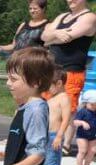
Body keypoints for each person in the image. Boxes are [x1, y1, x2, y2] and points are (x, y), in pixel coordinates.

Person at [44, 0, 96, 151]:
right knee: (49, 105)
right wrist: (54, 34)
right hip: (53, 70)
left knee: (68, 109)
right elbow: (44, 36)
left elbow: (68, 37)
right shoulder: (62, 16)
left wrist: (51, 35)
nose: (70, 0)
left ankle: (64, 145)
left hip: (72, 71)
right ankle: (48, 138)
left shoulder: (89, 17)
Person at [45, 67, 70, 165]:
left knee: (50, 164)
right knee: (43, 162)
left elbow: (66, 119)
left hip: (55, 136)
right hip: (46, 135)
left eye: (49, 84)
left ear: (59, 83)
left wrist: (59, 136)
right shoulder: (51, 97)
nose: (47, 87)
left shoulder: (63, 97)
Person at [71, 90, 96, 165]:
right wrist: (82, 122)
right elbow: (75, 122)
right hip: (82, 135)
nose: (94, 106)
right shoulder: (82, 111)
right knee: (82, 151)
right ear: (85, 103)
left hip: (92, 135)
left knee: (92, 151)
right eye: (92, 104)